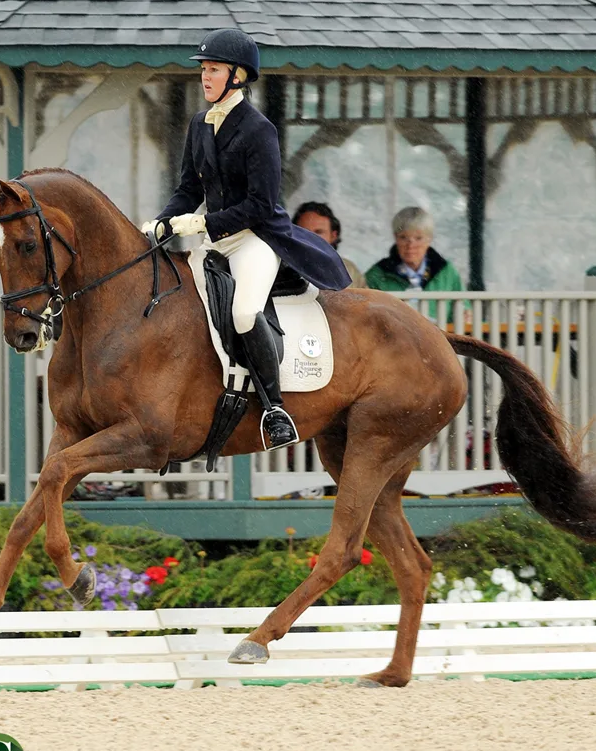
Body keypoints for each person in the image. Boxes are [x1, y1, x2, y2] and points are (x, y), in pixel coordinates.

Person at [141, 28, 351, 451]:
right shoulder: (200, 124)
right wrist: (163, 222)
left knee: (243, 311)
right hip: (217, 240)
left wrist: (201, 226)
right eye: (204, 69)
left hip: (256, 239)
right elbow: (188, 190)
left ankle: (275, 410)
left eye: (213, 69)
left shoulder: (259, 131)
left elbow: (260, 204)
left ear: (237, 75)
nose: (205, 77)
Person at [365, 207, 463, 319]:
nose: (411, 245)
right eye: (403, 237)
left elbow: (463, 308)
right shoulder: (376, 275)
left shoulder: (447, 272)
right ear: (395, 237)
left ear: (429, 239)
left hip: (441, 335)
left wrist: (466, 314)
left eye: (418, 238)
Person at [292, 201, 367, 288]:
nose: (310, 238)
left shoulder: (349, 271)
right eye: (304, 232)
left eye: (318, 232)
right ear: (293, 234)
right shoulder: (282, 268)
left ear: (333, 236)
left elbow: (368, 300)